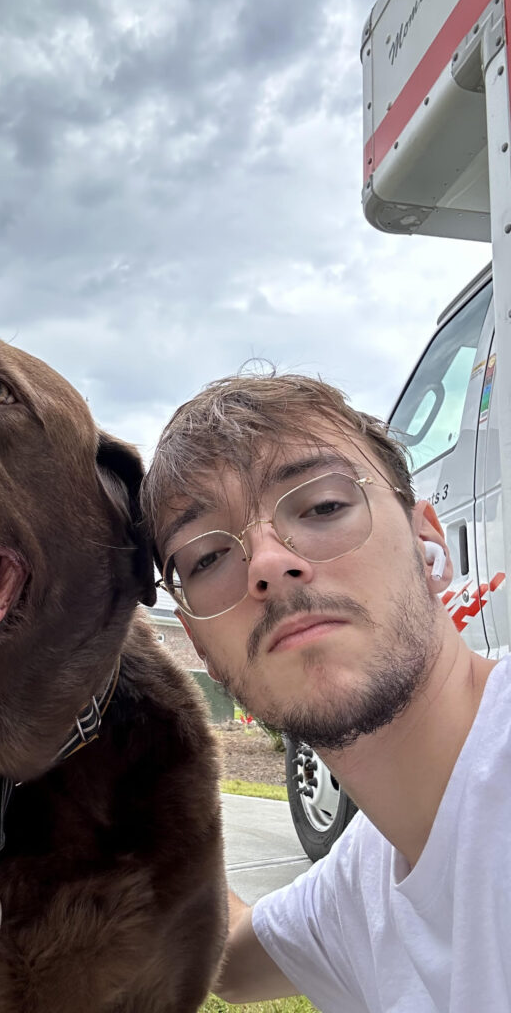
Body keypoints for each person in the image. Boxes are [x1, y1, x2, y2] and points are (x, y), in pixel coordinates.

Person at [140, 372, 510, 1013]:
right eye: (205, 559)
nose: (265, 562)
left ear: (428, 538)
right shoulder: (361, 881)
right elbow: (228, 959)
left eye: (322, 507)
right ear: (200, 646)